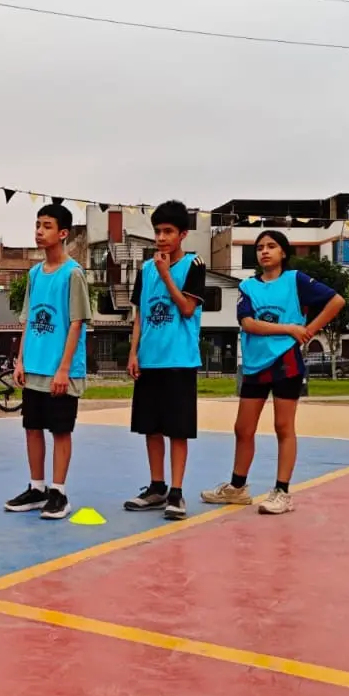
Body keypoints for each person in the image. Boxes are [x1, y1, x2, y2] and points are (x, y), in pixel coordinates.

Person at [201, 229, 345, 514]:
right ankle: (237, 487)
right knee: (243, 428)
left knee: (283, 427)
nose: (264, 251)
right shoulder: (248, 286)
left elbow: (336, 301)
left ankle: (282, 492)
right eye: (259, 247)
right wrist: (289, 328)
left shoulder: (295, 280)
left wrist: (308, 331)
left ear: (283, 252)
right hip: (255, 363)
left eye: (271, 246)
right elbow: (248, 323)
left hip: (285, 361)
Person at [4, 203, 89, 521]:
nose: (39, 231)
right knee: (32, 428)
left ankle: (59, 492)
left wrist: (64, 369)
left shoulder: (73, 274)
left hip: (60, 370)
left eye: (47, 226)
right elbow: (27, 320)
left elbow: (76, 323)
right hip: (35, 367)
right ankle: (37, 488)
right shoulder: (34, 274)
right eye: (37, 225)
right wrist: (20, 361)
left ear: (63, 233)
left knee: (61, 431)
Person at [124, 200, 208, 520]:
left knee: (177, 430)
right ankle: (157, 486)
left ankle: (176, 492)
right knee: (152, 428)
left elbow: (186, 308)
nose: (161, 238)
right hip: (150, 360)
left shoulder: (194, 264)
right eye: (157, 231)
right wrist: (133, 353)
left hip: (179, 360)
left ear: (183, 234)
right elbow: (140, 315)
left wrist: (166, 274)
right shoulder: (146, 270)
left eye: (168, 231)